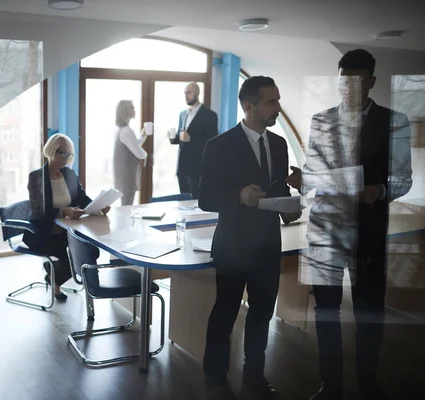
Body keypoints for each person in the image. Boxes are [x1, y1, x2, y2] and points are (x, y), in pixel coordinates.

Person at [285, 49, 413, 400]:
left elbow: (404, 179)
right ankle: (331, 383)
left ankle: (368, 382)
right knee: (325, 310)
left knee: (370, 309)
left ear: (371, 81)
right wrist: (303, 179)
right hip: (324, 228)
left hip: (369, 229)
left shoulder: (395, 121)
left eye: (357, 82)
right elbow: (316, 174)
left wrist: (381, 190)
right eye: (343, 82)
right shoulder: (320, 120)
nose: (349, 89)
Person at [199, 76, 301, 399]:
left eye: (278, 101)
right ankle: (215, 379)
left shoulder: (280, 145)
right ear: (249, 106)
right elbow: (205, 198)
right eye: (272, 102)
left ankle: (254, 375)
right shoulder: (218, 145)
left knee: (261, 315)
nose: (278, 109)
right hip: (233, 246)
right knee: (225, 313)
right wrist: (238, 196)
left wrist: (288, 207)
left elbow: (278, 190)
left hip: (269, 245)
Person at [26, 133, 110, 301]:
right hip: (44, 232)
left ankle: (53, 273)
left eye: (68, 154)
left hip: (67, 231)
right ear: (50, 151)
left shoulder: (69, 175)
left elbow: (81, 198)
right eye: (61, 152)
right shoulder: (37, 177)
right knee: (71, 259)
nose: (65, 157)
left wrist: (98, 206)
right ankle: (55, 278)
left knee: (91, 251)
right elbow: (38, 211)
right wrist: (63, 211)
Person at [170, 82, 218, 199]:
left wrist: (191, 139)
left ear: (197, 93)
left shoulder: (210, 115)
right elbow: (182, 138)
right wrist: (173, 138)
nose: (186, 96)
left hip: (197, 167)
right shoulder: (183, 114)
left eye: (189, 93)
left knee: (196, 201)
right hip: (182, 166)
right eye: (185, 93)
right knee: (183, 200)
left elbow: (212, 142)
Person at [113, 100, 148, 206]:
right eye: (132, 108)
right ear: (126, 112)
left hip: (122, 174)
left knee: (126, 203)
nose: (134, 110)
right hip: (127, 175)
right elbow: (139, 153)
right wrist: (147, 155)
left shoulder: (121, 130)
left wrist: (143, 135)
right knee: (127, 205)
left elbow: (134, 145)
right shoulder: (127, 131)